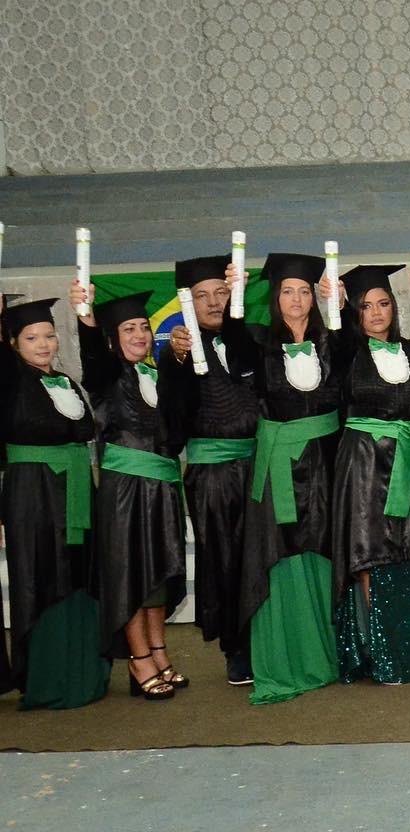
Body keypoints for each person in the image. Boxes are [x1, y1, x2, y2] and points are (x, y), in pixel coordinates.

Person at [326, 263, 410, 686]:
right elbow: (334, 337)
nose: (376, 313)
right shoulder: (347, 353)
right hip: (363, 465)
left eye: (383, 304)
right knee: (369, 555)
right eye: (365, 306)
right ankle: (378, 651)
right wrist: (333, 306)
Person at [74, 286, 188, 700]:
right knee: (130, 576)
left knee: (158, 573)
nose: (139, 335)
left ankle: (158, 650)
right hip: (125, 491)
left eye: (144, 327)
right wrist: (86, 319)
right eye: (128, 329)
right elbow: (92, 357)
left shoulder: (158, 375)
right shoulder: (106, 377)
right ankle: (139, 659)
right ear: (112, 338)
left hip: (161, 488)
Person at [239, 252, 342, 705]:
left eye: (304, 291)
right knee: (281, 554)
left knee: (321, 550)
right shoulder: (258, 343)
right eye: (287, 291)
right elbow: (225, 337)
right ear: (275, 298)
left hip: (325, 463)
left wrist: (342, 309)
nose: (296, 299)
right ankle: (285, 657)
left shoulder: (333, 342)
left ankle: (326, 655)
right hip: (279, 465)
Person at [0, 297, 108, 710]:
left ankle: (83, 672)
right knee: (43, 575)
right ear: (13, 344)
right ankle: (47, 678)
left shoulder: (67, 382)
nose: (43, 344)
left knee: (79, 573)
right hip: (33, 494)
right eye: (31, 338)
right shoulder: (11, 382)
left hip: (78, 488)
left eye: (48, 335)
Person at [163, 254, 260, 685]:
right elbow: (172, 420)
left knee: (260, 557)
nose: (213, 302)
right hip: (213, 476)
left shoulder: (249, 339)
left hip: (257, 465)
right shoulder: (179, 353)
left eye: (221, 292)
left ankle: (268, 639)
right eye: (202, 296)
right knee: (224, 562)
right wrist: (176, 361)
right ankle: (235, 648)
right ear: (188, 303)